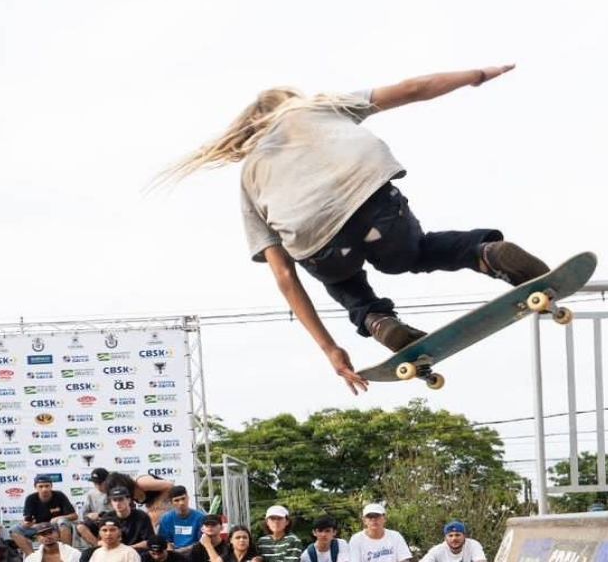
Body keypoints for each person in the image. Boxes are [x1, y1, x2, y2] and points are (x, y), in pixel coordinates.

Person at [156, 65, 548, 394]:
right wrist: (476, 75)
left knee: (341, 280)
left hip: (322, 249)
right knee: (415, 253)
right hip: (379, 216)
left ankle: (377, 321)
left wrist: (330, 348)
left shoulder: (250, 175)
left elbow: (284, 276)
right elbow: (414, 89)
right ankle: (486, 254)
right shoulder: (322, 106)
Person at [12, 477, 78, 554]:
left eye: (47, 486)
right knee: (15, 530)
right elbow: (28, 520)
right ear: (35, 487)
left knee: (63, 522)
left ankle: (66, 554)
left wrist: (59, 518)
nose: (44, 489)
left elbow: (74, 516)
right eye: (41, 486)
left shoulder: (59, 495)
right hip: (38, 527)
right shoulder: (30, 498)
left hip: (55, 526)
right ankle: (32, 556)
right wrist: (28, 524)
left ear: (51, 486)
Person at [79, 488, 153, 552]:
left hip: (136, 551)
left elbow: (148, 541)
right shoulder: (107, 517)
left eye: (121, 499)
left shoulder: (142, 516)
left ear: (129, 500)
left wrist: (127, 549)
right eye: (115, 500)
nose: (118, 503)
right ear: (111, 502)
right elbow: (100, 541)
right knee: (87, 554)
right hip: (113, 550)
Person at [102, 473, 173, 528]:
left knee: (152, 518)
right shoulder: (128, 495)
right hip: (154, 506)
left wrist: (158, 502)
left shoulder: (142, 483)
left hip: (170, 498)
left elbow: (170, 486)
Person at [156, 487, 205, 554]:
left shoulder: (200, 517)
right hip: (174, 555)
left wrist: (181, 551)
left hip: (195, 553)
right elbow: (164, 541)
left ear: (188, 498)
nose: (181, 503)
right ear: (171, 502)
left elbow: (203, 541)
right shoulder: (166, 518)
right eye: (176, 500)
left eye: (183, 498)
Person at [76, 469, 112, 546]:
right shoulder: (91, 493)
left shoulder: (115, 492)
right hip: (97, 523)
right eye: (95, 483)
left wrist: (100, 515)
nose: (97, 486)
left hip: (114, 523)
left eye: (100, 483)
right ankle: (98, 547)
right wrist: (88, 516)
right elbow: (83, 513)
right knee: (80, 527)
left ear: (108, 481)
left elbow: (120, 511)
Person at [419, 522, 485, 562]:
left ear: (464, 536)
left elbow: (480, 560)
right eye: (450, 536)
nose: (454, 538)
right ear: (445, 538)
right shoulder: (437, 550)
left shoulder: (473, 545)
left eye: (457, 535)